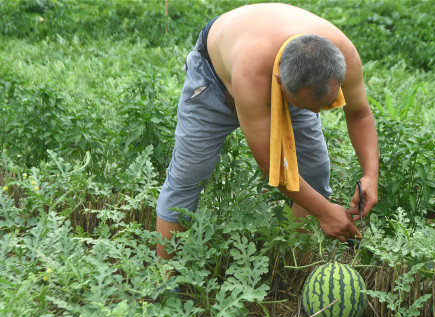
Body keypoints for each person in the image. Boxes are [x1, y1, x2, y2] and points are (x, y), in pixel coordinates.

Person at [156, 3, 379, 259]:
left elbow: (359, 113)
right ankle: (166, 280)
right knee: (189, 176)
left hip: (284, 72)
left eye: (325, 106)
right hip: (214, 78)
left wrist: (371, 175)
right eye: (308, 107)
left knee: (314, 172)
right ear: (280, 83)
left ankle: (299, 266)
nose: (316, 114)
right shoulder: (250, 70)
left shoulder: (343, 56)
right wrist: (325, 212)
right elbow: (273, 164)